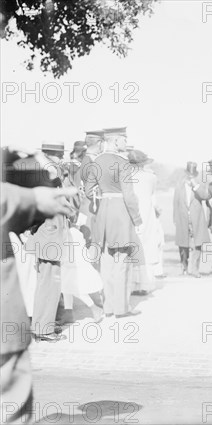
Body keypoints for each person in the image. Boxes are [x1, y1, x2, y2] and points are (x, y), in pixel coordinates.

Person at [1, 179, 77, 424]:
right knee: (48, 288)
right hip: (49, 246)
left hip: (46, 244)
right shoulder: (46, 194)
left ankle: (42, 325)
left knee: (46, 287)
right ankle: (43, 327)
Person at [84, 127, 143, 319]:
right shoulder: (122, 163)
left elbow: (88, 190)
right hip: (121, 213)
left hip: (104, 212)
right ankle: (121, 308)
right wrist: (137, 219)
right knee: (122, 262)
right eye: (124, 139)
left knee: (107, 261)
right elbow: (129, 195)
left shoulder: (97, 161)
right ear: (116, 141)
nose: (125, 143)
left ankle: (108, 306)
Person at [26, 142, 73, 341]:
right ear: (52, 155)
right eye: (59, 155)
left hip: (46, 234)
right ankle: (43, 329)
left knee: (47, 281)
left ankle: (42, 325)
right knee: (49, 282)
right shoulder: (48, 173)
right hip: (49, 235)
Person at [128, 149, 160, 296]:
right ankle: (146, 283)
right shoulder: (150, 177)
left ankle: (133, 283)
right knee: (148, 245)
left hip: (133, 211)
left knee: (134, 245)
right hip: (147, 211)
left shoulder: (127, 176)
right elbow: (153, 194)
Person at [172, 161, 211, 277]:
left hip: (197, 218)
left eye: (192, 175)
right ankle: (183, 267)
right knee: (183, 244)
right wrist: (175, 218)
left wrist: (196, 185)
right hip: (183, 217)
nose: (190, 176)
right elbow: (175, 202)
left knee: (198, 244)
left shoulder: (200, 184)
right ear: (186, 173)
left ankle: (195, 269)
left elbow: (205, 196)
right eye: (189, 174)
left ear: (195, 175)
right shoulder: (180, 184)